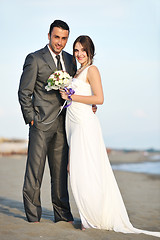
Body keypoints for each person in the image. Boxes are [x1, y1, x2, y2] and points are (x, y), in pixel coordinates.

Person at [60, 35, 160, 238]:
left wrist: (72, 96)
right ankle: (89, 216)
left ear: (90, 52)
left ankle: (91, 218)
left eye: (83, 51)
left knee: (86, 171)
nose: (79, 54)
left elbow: (99, 98)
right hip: (72, 123)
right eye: (76, 50)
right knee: (77, 170)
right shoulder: (76, 71)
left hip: (84, 125)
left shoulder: (92, 70)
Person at [18, 20, 77, 223]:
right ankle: (34, 217)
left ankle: (62, 214)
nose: (60, 42)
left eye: (64, 38)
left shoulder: (70, 60)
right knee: (35, 174)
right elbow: (24, 92)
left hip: (63, 125)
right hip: (40, 125)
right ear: (49, 36)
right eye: (56, 37)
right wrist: (31, 119)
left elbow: (74, 89)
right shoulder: (34, 59)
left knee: (60, 174)